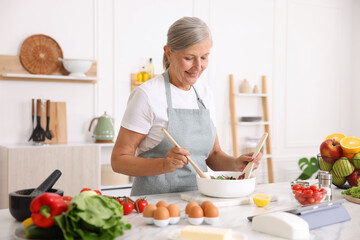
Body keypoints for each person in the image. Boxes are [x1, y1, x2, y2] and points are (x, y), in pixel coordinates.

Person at [111, 17, 263, 196]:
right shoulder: (147, 95)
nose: (198, 67)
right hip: (154, 206)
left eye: (204, 57)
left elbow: (212, 155)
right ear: (169, 53)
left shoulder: (205, 94)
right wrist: (164, 164)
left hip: (198, 201)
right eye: (189, 58)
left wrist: (236, 164)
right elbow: (118, 161)